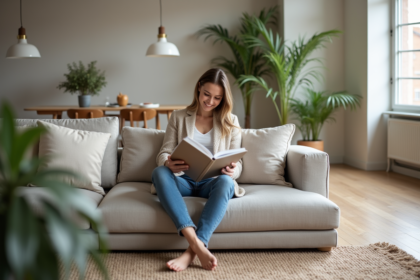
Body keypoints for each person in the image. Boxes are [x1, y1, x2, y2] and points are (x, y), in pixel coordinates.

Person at [151, 68, 245, 272]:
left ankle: (192, 250)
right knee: (159, 172)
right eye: (207, 94)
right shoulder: (178, 117)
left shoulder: (231, 121)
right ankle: (196, 243)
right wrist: (167, 162)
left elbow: (238, 163)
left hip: (211, 182)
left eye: (217, 98)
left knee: (227, 182)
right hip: (183, 180)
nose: (210, 101)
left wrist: (232, 170)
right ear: (199, 89)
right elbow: (164, 151)